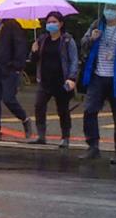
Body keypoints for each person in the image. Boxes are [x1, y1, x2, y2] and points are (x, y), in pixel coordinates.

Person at [79, 5, 116, 164]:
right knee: (89, 111)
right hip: (97, 76)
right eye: (107, 8)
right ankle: (93, 146)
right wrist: (91, 38)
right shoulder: (96, 25)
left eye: (113, 8)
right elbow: (83, 44)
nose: (109, 11)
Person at [28, 12, 78, 148]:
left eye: (54, 22)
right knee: (39, 105)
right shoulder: (42, 39)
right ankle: (41, 135)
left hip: (61, 81)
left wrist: (72, 78)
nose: (51, 24)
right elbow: (33, 61)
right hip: (45, 80)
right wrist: (34, 51)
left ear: (61, 24)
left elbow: (73, 60)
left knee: (63, 109)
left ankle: (65, 137)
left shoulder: (67, 40)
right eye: (49, 22)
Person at [0, 18, 33, 140]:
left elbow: (20, 45)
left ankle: (24, 119)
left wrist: (17, 65)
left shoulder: (12, 25)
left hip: (9, 69)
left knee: (8, 98)